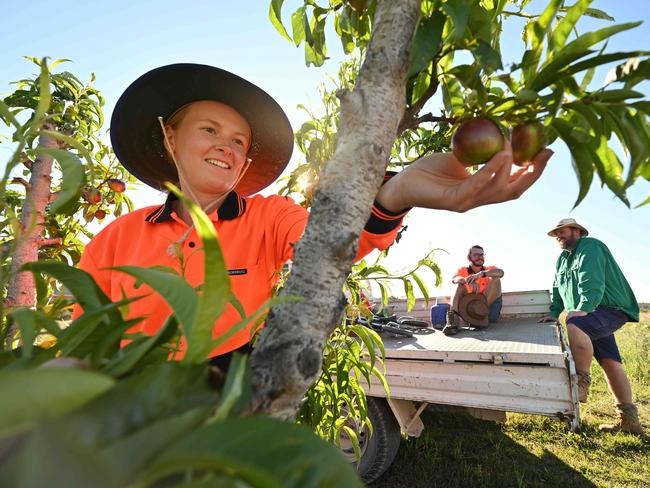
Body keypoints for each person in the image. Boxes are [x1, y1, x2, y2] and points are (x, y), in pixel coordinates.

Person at [73, 63, 552, 367]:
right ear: (170, 137)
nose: (227, 146)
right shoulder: (115, 238)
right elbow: (80, 340)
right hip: (125, 406)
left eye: (239, 141)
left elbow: (329, 244)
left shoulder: (267, 216)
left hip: (227, 402)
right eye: (209, 129)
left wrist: (398, 191)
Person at [539, 218, 644, 435]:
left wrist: (584, 307)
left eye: (562, 231)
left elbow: (592, 279)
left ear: (576, 231)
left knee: (575, 323)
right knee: (610, 362)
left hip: (609, 307)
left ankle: (580, 384)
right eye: (555, 233)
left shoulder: (591, 246)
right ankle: (629, 421)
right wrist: (553, 312)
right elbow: (558, 289)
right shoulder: (562, 259)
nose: (558, 236)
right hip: (594, 312)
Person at [443, 245, 504, 335]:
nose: (480, 257)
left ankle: (481, 314)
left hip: (488, 312)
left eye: (482, 255)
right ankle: (452, 322)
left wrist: (480, 274)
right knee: (459, 286)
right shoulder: (463, 270)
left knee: (496, 279)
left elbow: (501, 272)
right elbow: (454, 279)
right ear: (469, 257)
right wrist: (467, 281)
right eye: (476, 255)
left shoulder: (489, 269)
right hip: (469, 313)